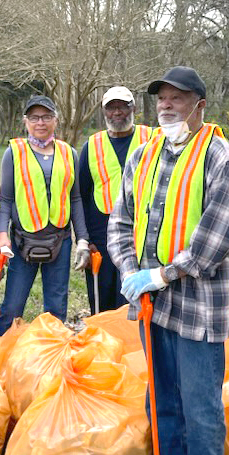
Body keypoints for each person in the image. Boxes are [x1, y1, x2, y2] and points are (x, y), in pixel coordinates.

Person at [107, 66, 229, 455]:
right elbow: (120, 221)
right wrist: (129, 270)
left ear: (200, 106)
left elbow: (217, 237)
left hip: (198, 303)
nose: (166, 106)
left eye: (178, 99)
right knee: (161, 394)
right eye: (161, 98)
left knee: (200, 399)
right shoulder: (142, 156)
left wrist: (163, 274)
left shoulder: (219, 157)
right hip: (153, 305)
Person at [0, 96, 90, 337]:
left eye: (46, 117)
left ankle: (52, 363)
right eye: (34, 117)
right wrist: (2, 235)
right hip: (22, 239)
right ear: (25, 121)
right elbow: (6, 199)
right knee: (12, 306)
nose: (41, 122)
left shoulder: (69, 153)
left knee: (57, 308)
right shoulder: (14, 152)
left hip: (60, 239)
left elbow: (75, 198)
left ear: (56, 120)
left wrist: (83, 240)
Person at [77, 86, 153, 315]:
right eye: (111, 108)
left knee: (136, 295)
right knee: (102, 296)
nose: (117, 112)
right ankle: (104, 345)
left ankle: (135, 345)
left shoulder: (151, 138)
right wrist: (86, 239)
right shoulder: (92, 145)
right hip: (101, 233)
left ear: (134, 108)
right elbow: (82, 194)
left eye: (123, 106)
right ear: (104, 112)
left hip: (142, 230)